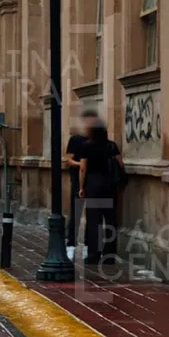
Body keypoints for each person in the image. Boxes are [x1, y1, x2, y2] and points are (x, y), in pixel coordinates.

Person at [78, 121, 124, 265]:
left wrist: (81, 187)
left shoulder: (86, 146)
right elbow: (120, 164)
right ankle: (109, 255)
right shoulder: (111, 145)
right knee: (110, 219)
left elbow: (83, 169)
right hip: (109, 185)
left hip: (93, 185)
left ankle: (94, 254)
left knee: (94, 221)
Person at [66, 109, 99, 260]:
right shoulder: (75, 140)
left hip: (93, 181)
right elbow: (69, 159)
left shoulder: (97, 141)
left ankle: (88, 246)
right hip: (77, 178)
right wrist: (81, 164)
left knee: (92, 215)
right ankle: (71, 245)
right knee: (76, 213)